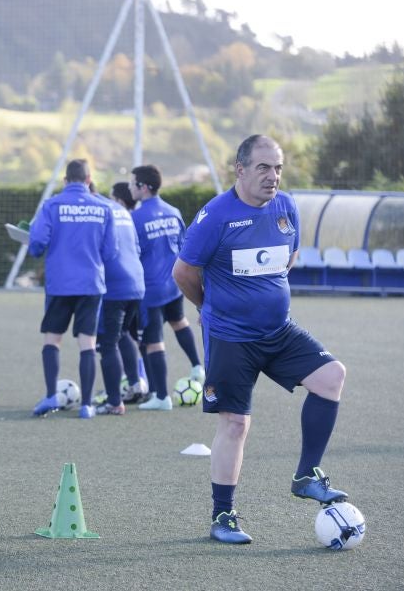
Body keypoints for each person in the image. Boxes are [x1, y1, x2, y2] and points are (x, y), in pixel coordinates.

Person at [173, 134, 348, 544]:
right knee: (235, 424)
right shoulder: (215, 216)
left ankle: (306, 474)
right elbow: (183, 272)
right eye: (263, 167)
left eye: (278, 167)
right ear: (240, 170)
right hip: (231, 336)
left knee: (331, 377)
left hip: (279, 330)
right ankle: (223, 517)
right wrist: (208, 308)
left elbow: (289, 257)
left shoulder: (286, 207)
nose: (273, 176)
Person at [28, 159, 116, 419]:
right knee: (87, 343)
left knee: (52, 339)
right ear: (89, 180)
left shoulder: (52, 205)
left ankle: (50, 396)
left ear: (65, 181)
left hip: (60, 283)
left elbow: (37, 244)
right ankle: (87, 405)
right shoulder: (103, 207)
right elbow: (111, 252)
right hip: (91, 283)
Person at [129, 164, 204, 411]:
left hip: (150, 288)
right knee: (179, 321)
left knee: (153, 342)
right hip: (174, 284)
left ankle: (161, 396)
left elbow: (132, 253)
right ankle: (197, 366)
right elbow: (184, 245)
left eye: (133, 184)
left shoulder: (136, 217)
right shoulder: (174, 211)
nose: (130, 188)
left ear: (143, 187)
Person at [94, 182, 145, 415]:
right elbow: (136, 248)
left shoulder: (100, 212)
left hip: (115, 287)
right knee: (123, 333)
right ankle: (135, 384)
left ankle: (114, 402)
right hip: (137, 283)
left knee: (107, 343)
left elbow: (100, 250)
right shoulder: (123, 212)